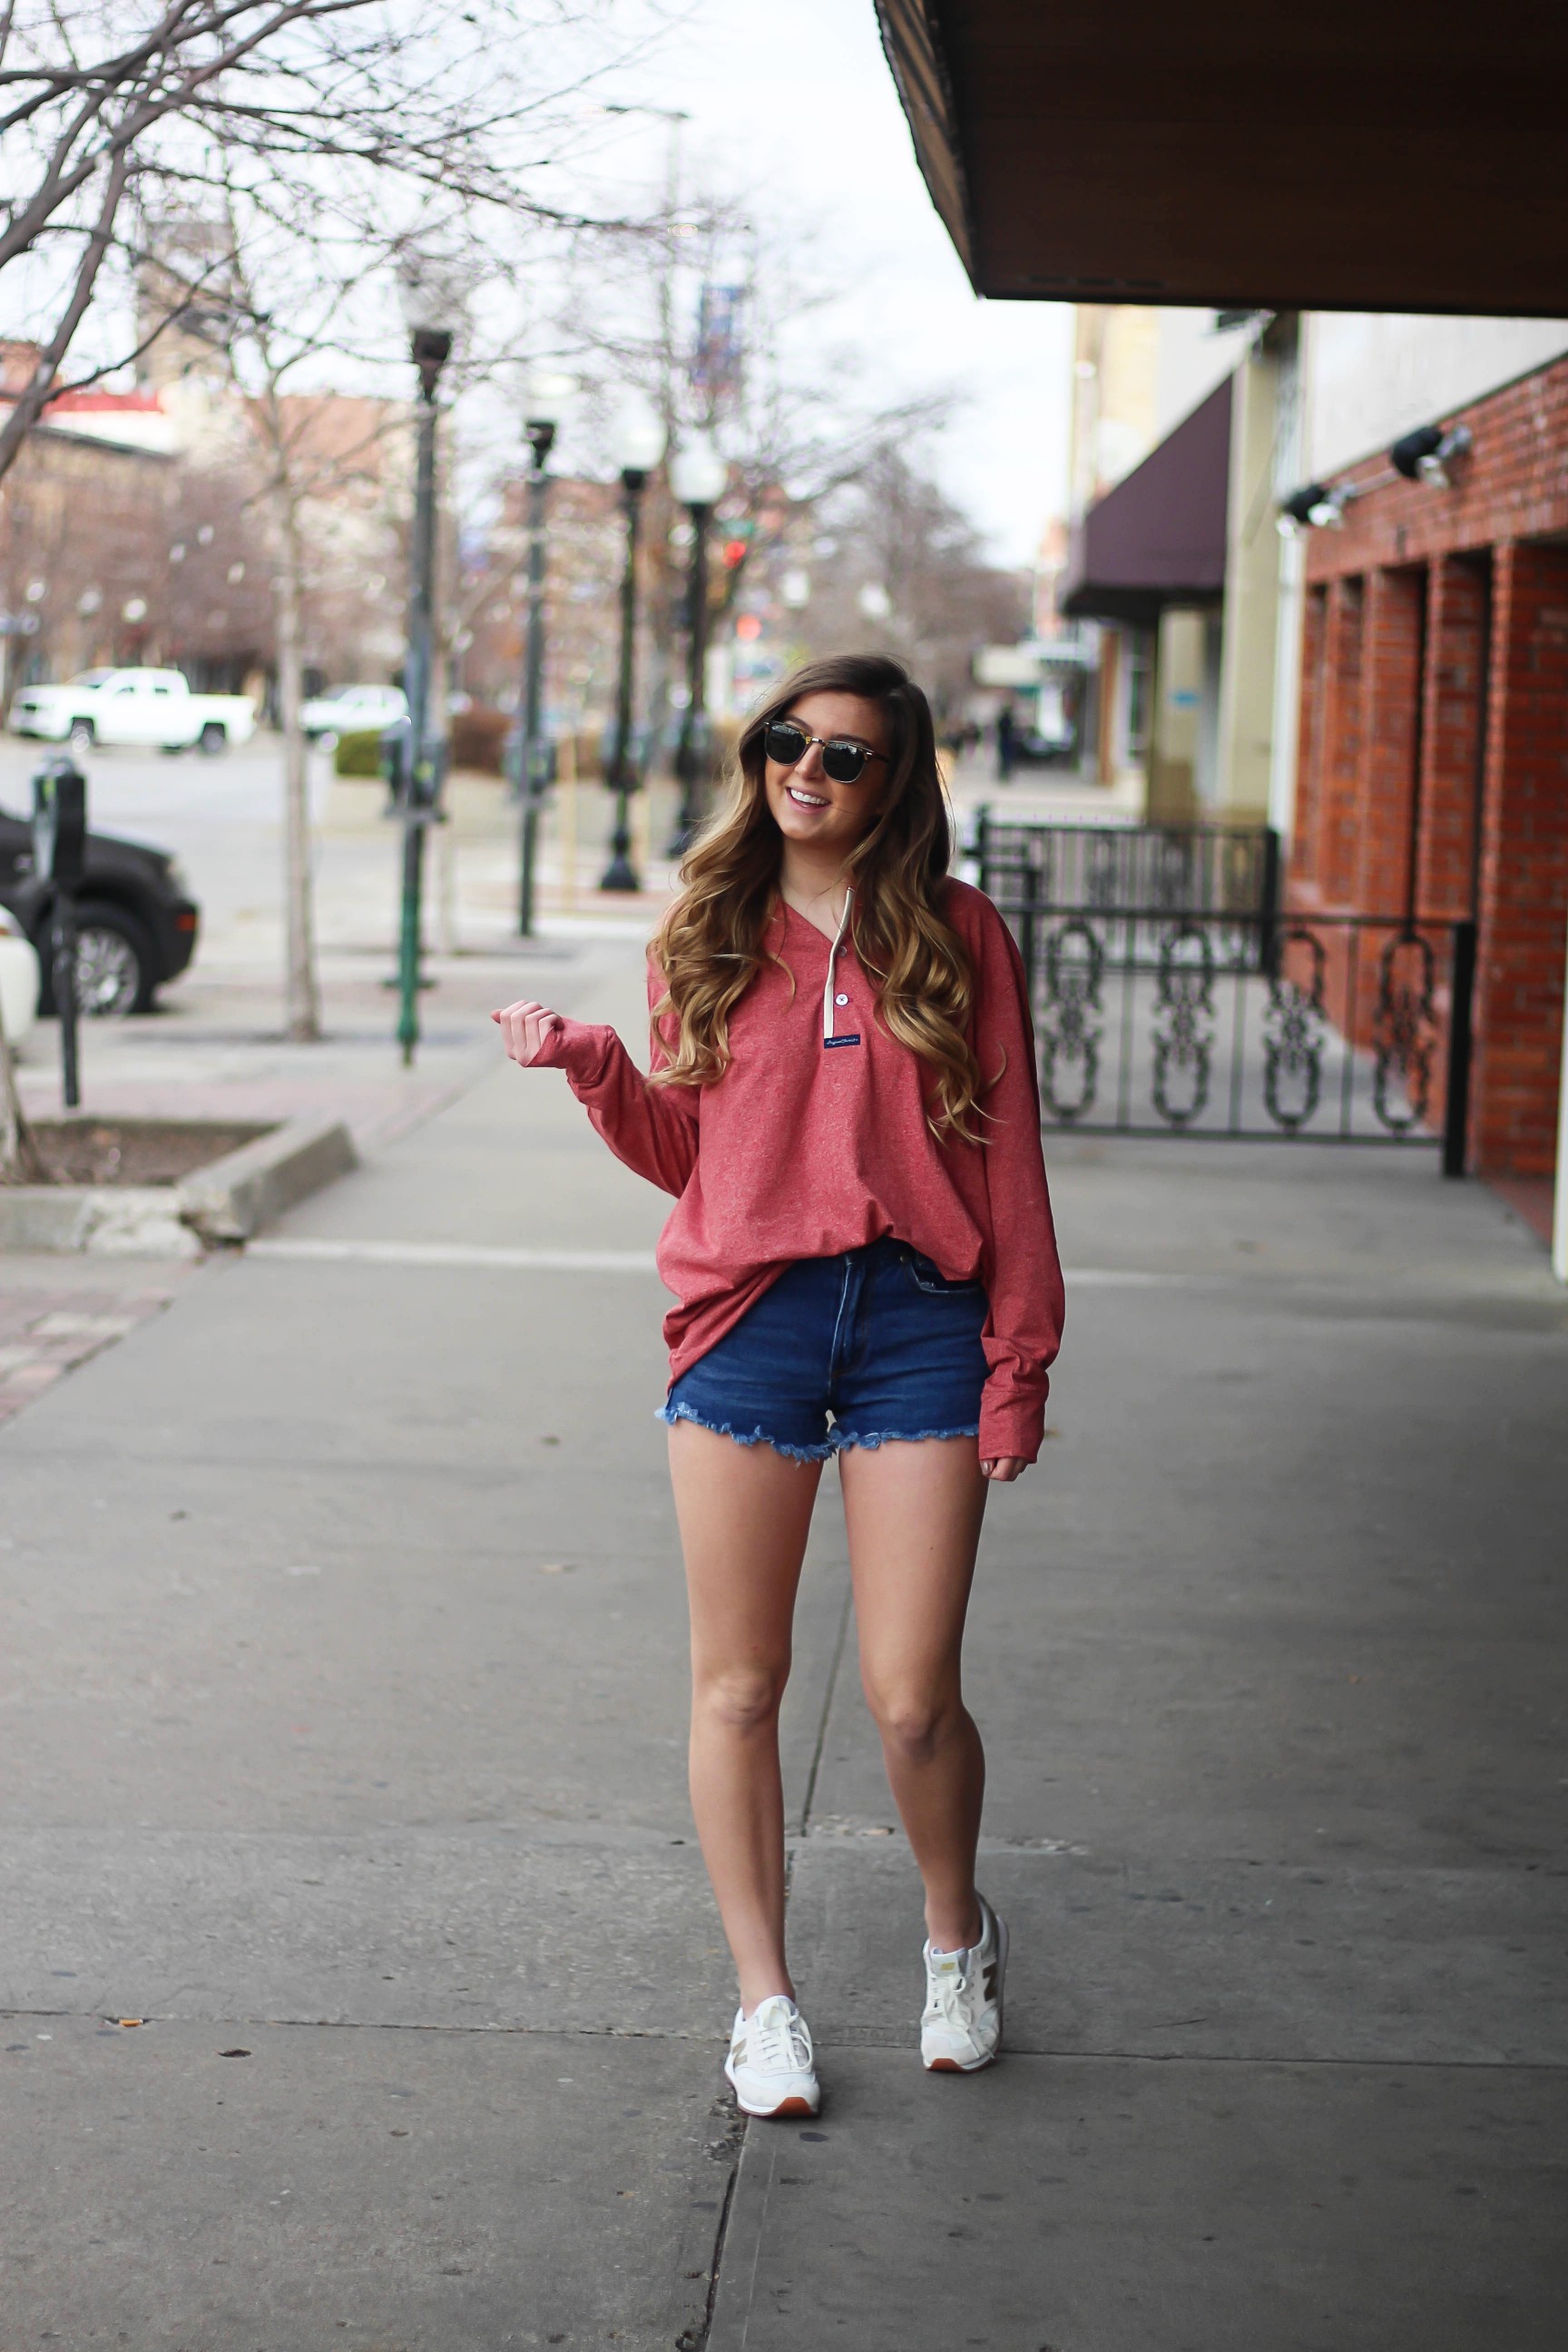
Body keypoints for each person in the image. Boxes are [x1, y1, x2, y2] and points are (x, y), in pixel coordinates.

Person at [494, 653, 1064, 2120]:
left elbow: (1012, 1164)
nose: (806, 768)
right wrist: (598, 1068)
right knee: (740, 1685)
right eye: (786, 739)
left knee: (912, 1696)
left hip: (920, 1325)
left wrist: (1019, 1365)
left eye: (848, 754)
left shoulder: (956, 934)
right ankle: (766, 2001)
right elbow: (699, 1159)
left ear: (898, 781)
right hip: (749, 1316)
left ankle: (957, 1940)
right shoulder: (709, 927)